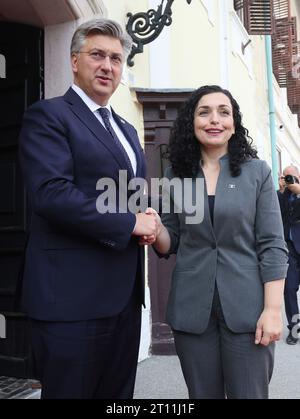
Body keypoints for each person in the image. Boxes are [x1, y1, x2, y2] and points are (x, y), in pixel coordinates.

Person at [19, 18, 159, 399]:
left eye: (116, 58)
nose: (107, 66)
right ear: (74, 60)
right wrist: (130, 222)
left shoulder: (127, 130)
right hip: (70, 301)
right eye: (97, 54)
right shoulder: (48, 116)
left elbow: (126, 198)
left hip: (124, 300)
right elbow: (52, 194)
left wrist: (146, 218)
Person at [141, 85, 288, 399]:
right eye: (204, 112)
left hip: (247, 309)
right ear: (191, 122)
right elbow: (170, 241)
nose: (214, 120)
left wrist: (273, 310)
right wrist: (155, 228)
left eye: (224, 112)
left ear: (234, 123)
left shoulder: (257, 173)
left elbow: (272, 244)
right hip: (192, 310)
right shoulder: (175, 177)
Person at [277, 166, 300, 345]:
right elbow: (276, 214)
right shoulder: (281, 196)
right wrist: (283, 190)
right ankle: (294, 328)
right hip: (290, 249)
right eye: (286, 177)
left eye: (291, 176)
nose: (288, 179)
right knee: (289, 289)